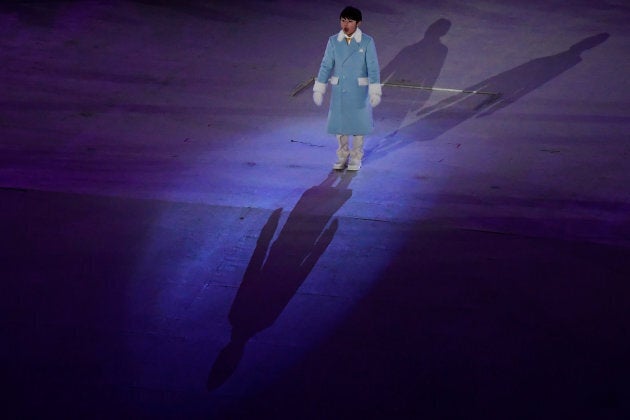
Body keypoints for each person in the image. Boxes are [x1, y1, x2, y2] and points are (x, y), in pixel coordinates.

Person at [313, 6, 381, 171]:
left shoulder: (366, 41)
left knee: (358, 124)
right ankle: (342, 155)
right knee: (340, 124)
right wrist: (319, 87)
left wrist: (374, 90)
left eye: (350, 21)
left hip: (358, 90)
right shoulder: (333, 41)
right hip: (340, 88)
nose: (346, 24)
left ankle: (356, 157)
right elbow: (326, 64)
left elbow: (373, 67)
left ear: (358, 23)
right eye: (343, 20)